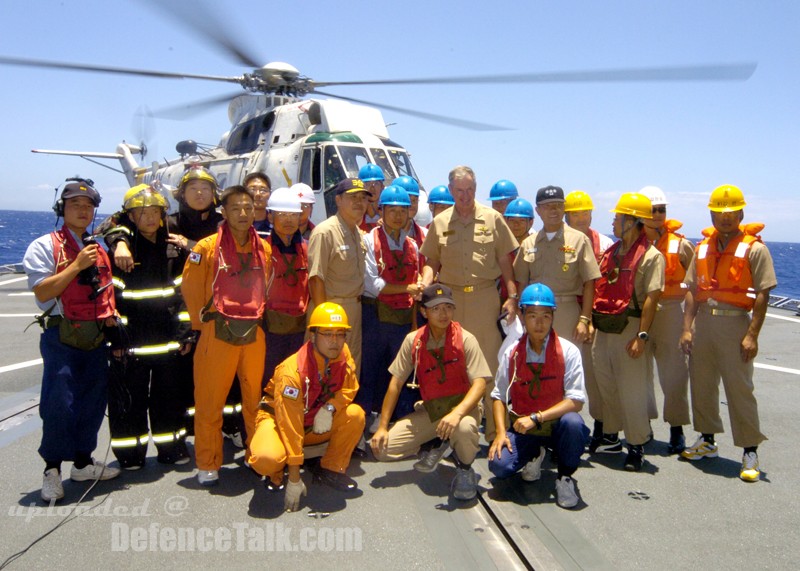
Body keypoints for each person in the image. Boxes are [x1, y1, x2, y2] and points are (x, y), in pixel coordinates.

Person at [23, 177, 121, 502]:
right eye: (74, 205)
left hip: (95, 337)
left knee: (93, 401)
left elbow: (104, 292)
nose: (82, 211)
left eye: (88, 206)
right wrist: (76, 266)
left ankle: (81, 463)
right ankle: (52, 470)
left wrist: (113, 321)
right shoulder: (43, 246)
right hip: (61, 334)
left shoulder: (98, 247)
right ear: (60, 209)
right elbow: (43, 291)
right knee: (59, 404)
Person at [679, 185, 776, 482]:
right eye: (719, 212)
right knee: (702, 384)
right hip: (704, 323)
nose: (725, 217)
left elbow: (762, 294)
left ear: (741, 213)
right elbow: (694, 291)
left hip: (736, 323)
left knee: (740, 389)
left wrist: (751, 335)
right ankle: (706, 440)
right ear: (711, 213)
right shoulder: (702, 248)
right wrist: (687, 328)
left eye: (731, 212)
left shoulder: (755, 249)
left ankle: (750, 451)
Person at [181, 185, 272, 486]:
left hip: (253, 333)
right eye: (235, 208)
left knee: (253, 400)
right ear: (224, 212)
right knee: (209, 402)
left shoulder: (265, 249)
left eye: (248, 207)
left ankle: (256, 455)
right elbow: (192, 291)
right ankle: (208, 462)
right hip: (216, 333)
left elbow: (266, 288)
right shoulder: (206, 248)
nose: (243, 213)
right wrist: (202, 326)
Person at [419, 165, 518, 442]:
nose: (465, 196)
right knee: (453, 363)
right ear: (451, 191)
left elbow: (504, 262)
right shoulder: (439, 223)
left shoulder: (493, 218)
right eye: (459, 191)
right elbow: (432, 262)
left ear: (476, 188)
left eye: (470, 190)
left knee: (489, 365)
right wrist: (425, 284)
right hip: (449, 304)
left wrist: (511, 297)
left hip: (485, 298)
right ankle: (457, 430)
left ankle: (496, 430)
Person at [370, 285, 490, 501]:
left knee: (463, 430)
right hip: (432, 411)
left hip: (463, 410)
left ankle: (464, 468)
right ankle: (437, 443)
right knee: (382, 450)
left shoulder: (466, 339)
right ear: (423, 312)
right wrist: (381, 427)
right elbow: (395, 384)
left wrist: (457, 414)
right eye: (435, 309)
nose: (443, 314)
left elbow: (480, 384)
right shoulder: (413, 341)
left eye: (447, 308)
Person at [107, 185, 194, 469]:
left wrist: (185, 333)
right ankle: (130, 455)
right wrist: (116, 339)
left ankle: (171, 448)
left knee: (169, 399)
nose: (148, 217)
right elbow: (110, 301)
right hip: (131, 344)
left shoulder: (174, 251)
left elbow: (184, 296)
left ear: (162, 214)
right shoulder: (120, 253)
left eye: (154, 211)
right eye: (141, 212)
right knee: (129, 402)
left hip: (168, 342)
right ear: (130, 217)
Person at [249, 303, 365, 512]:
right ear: (312, 336)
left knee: (355, 415)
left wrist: (330, 408)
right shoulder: (292, 372)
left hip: (312, 420)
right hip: (279, 420)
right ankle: (277, 474)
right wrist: (295, 479)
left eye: (340, 334)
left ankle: (330, 467)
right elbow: (290, 425)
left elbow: (350, 388)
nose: (334, 341)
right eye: (327, 333)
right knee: (266, 458)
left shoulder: (343, 354)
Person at [488, 284, 590, 509]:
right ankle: (534, 453)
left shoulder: (568, 351)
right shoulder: (512, 352)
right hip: (524, 428)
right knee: (499, 466)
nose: (540, 323)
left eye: (546, 315)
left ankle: (564, 477)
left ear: (553, 316)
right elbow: (498, 395)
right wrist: (500, 433)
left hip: (555, 426)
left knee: (574, 424)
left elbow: (576, 401)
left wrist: (537, 417)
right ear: (522, 316)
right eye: (532, 315)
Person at [591, 192, 664, 471]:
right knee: (605, 381)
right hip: (605, 326)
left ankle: (636, 444)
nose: (613, 222)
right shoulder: (611, 253)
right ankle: (612, 435)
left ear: (633, 222)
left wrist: (642, 336)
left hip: (631, 326)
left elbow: (652, 299)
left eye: (618, 218)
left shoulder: (651, 256)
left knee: (632, 389)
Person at [513, 186, 599, 386]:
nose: (553, 210)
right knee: (536, 367)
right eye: (547, 206)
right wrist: (521, 314)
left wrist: (584, 320)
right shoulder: (529, 243)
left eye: (558, 206)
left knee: (567, 369)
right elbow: (522, 282)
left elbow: (589, 283)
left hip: (567, 313)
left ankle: (567, 415)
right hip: (535, 313)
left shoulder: (579, 240)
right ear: (538, 211)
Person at [360, 186, 423, 425]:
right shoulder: (368, 241)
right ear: (381, 211)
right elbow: (372, 284)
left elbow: (415, 284)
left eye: (403, 210)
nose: (398, 215)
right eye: (392, 210)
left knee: (399, 373)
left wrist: (415, 324)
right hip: (375, 318)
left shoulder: (413, 246)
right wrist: (407, 288)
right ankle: (364, 422)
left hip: (403, 320)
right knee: (370, 371)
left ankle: (396, 423)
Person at [639, 186, 693, 454]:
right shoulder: (633, 243)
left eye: (662, 210)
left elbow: (694, 284)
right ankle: (644, 425)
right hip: (641, 313)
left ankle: (677, 429)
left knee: (674, 374)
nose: (658, 215)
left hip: (671, 311)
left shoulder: (682, 245)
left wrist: (689, 326)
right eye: (653, 210)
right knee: (640, 373)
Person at [563, 189, 614, 449]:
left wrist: (591, 319)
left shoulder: (606, 245)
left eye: (586, 213)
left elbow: (606, 286)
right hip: (567, 313)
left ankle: (601, 426)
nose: (582, 219)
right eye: (576, 214)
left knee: (595, 376)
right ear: (566, 217)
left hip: (594, 318)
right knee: (563, 371)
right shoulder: (561, 242)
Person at [308, 178, 368, 375]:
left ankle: (344, 406)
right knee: (323, 368)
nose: (359, 202)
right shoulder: (325, 232)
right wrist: (323, 324)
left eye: (363, 198)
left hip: (355, 310)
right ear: (338, 200)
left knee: (350, 367)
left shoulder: (359, 234)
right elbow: (316, 279)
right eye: (353, 197)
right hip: (331, 310)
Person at [263, 187, 309, 387]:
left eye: (294, 215)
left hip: (300, 328)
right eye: (282, 214)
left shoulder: (308, 248)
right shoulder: (262, 248)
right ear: (270, 216)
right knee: (268, 378)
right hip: (270, 329)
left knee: (294, 379)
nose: (289, 220)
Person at [245, 172, 272, 238]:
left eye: (263, 190)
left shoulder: (276, 224)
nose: (258, 194)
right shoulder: (234, 223)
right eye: (253, 190)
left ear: (270, 194)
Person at [358, 163, 385, 231]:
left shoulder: (388, 215)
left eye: (376, 183)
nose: (372, 188)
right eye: (367, 184)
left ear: (382, 187)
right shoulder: (355, 215)